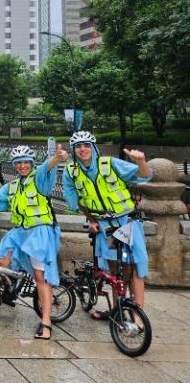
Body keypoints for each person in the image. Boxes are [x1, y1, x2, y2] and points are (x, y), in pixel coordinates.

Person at [0, 144, 68, 340]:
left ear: (31, 163)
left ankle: (46, 323)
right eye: (18, 163)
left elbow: (46, 167)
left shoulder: (38, 179)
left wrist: (56, 158)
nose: (22, 166)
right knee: (3, 258)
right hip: (21, 232)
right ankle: (11, 289)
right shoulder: (13, 186)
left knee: (41, 277)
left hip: (40, 231)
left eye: (26, 162)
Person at [62, 131, 152, 319]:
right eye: (78, 146)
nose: (82, 149)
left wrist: (141, 161)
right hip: (107, 226)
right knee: (116, 270)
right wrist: (92, 220)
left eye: (86, 145)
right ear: (73, 150)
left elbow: (144, 176)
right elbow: (77, 201)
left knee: (136, 265)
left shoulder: (109, 163)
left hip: (126, 221)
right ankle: (119, 312)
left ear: (94, 147)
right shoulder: (71, 171)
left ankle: (138, 316)